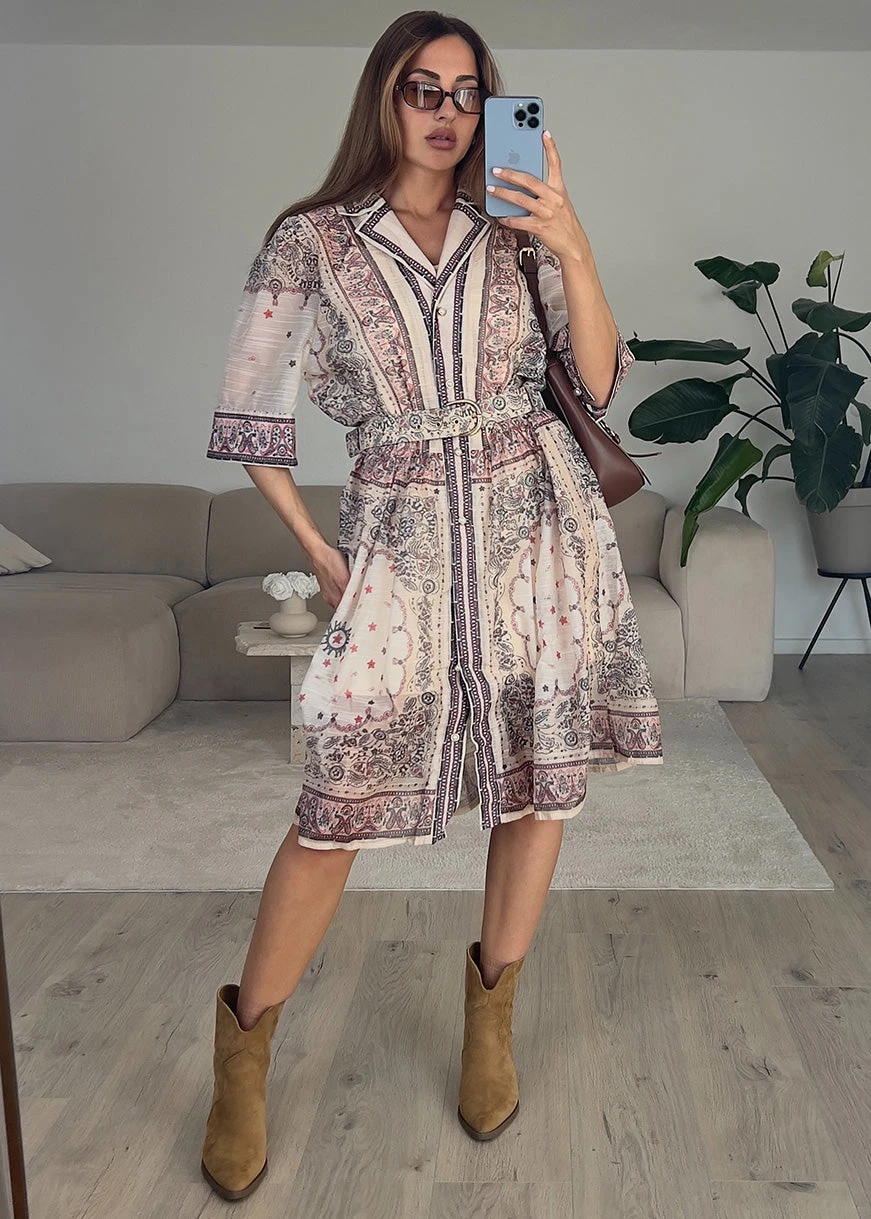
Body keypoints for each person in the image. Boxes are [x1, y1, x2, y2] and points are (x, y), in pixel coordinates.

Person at [200, 8, 664, 1200]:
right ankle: (243, 1058)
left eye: (467, 92)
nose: (447, 111)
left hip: (535, 531)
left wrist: (570, 240)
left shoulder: (513, 229)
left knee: (536, 782)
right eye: (423, 87)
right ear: (385, 97)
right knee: (335, 809)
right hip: (398, 542)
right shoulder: (311, 241)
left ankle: (490, 1021)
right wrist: (320, 548)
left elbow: (597, 381)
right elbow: (250, 412)